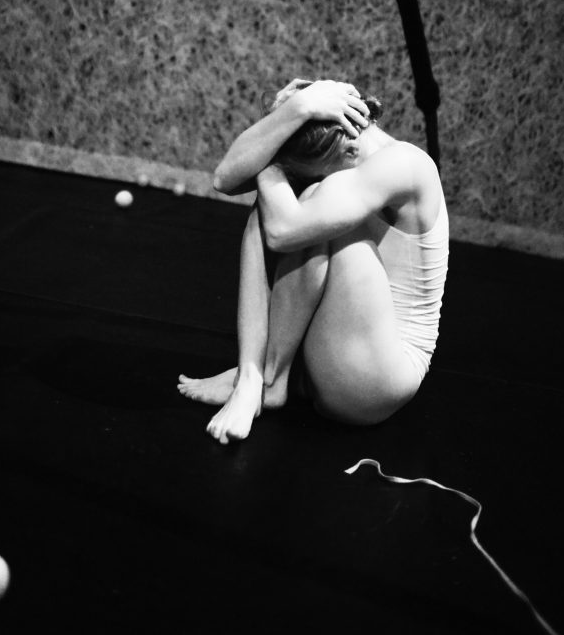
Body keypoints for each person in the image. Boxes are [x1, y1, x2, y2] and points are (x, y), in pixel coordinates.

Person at [177, 77, 449, 444]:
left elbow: (282, 232)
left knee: (304, 205)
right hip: (333, 352)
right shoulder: (338, 135)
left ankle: (269, 379)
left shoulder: (405, 164)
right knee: (271, 204)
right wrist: (295, 109)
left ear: (350, 151)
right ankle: (251, 374)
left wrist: (270, 164)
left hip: (380, 376)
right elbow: (225, 179)